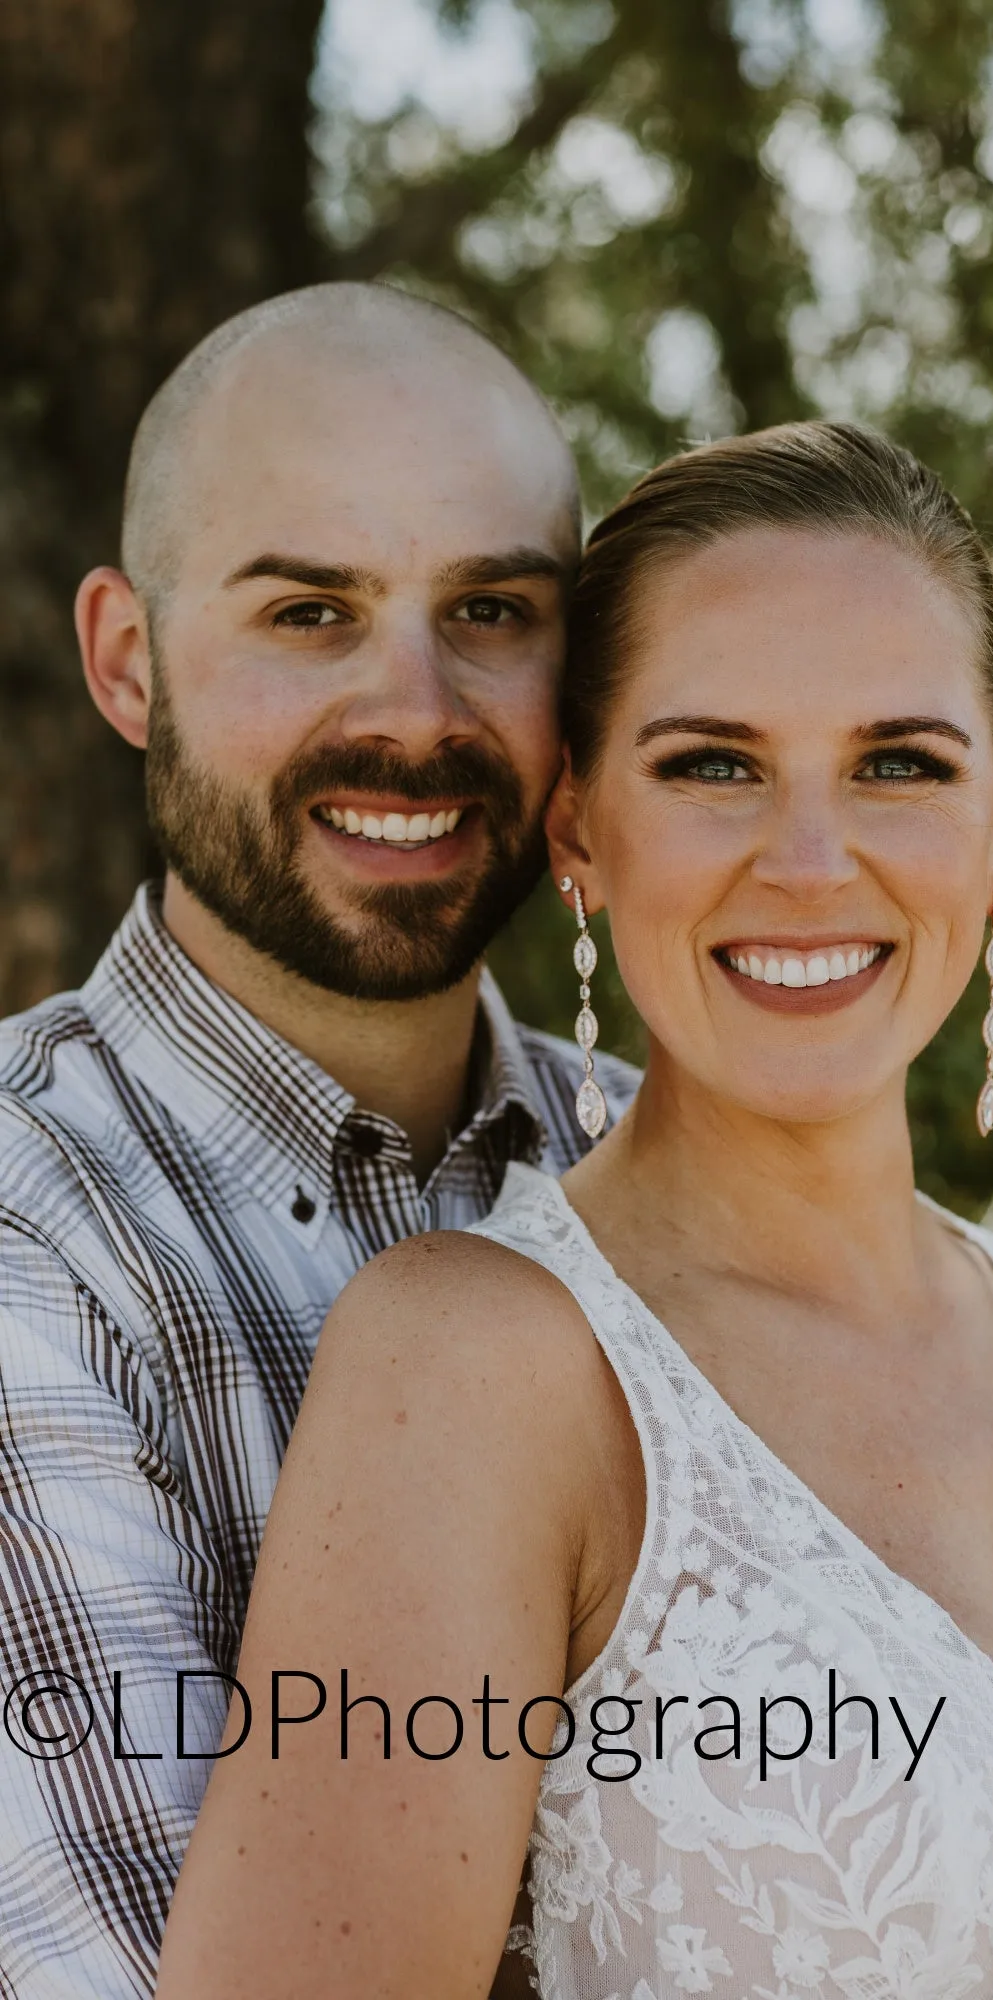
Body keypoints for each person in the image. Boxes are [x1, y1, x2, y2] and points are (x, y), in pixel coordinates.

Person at [153, 422, 993, 1999]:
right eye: (714, 765)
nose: (810, 861)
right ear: (578, 826)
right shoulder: (478, 1375)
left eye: (900, 764)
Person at [0, 283, 635, 1998]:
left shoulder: (673, 1168)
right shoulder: (19, 1238)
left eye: (493, 609)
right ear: (128, 660)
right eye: (310, 611)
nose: (414, 713)